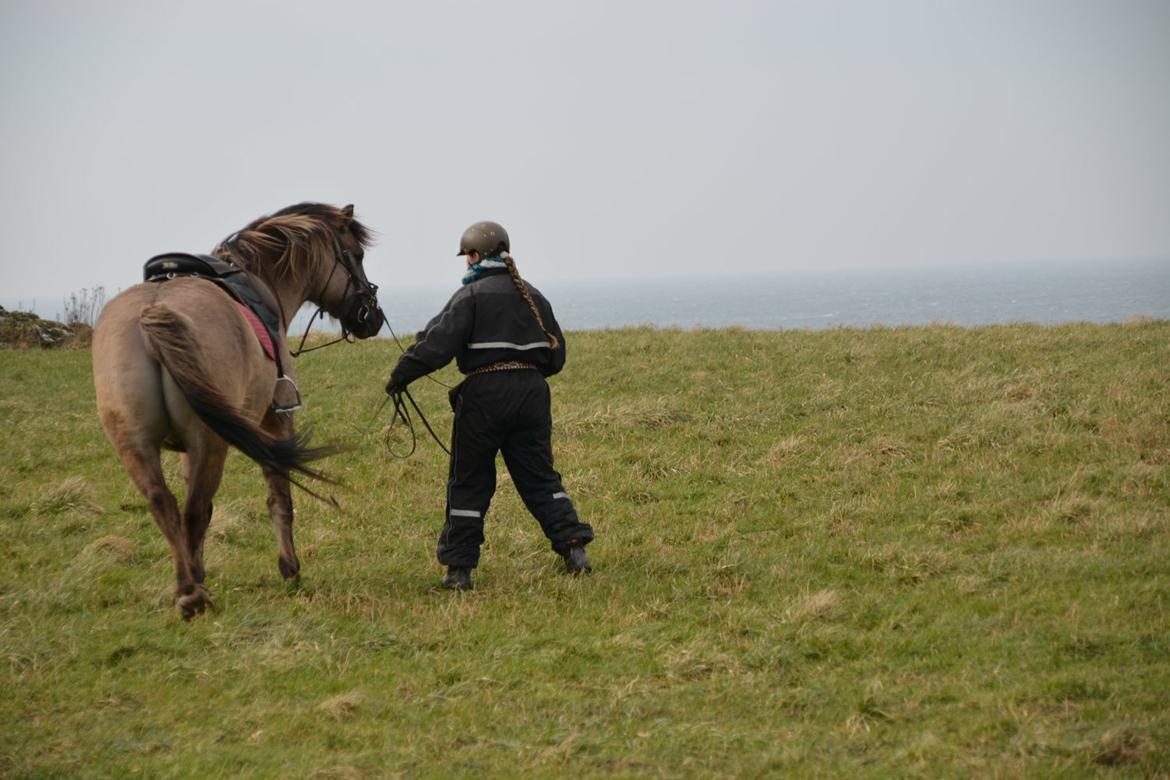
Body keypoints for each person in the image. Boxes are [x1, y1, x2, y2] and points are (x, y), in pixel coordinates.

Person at [385, 221, 594, 590]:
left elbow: (436, 345)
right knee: (540, 477)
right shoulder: (534, 295)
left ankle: (459, 571)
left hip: (483, 398)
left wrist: (401, 375)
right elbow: (556, 357)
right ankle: (574, 549)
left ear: (476, 255)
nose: (466, 262)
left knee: (470, 481)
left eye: (467, 255)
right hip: (532, 394)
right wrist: (525, 374)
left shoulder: (470, 296)